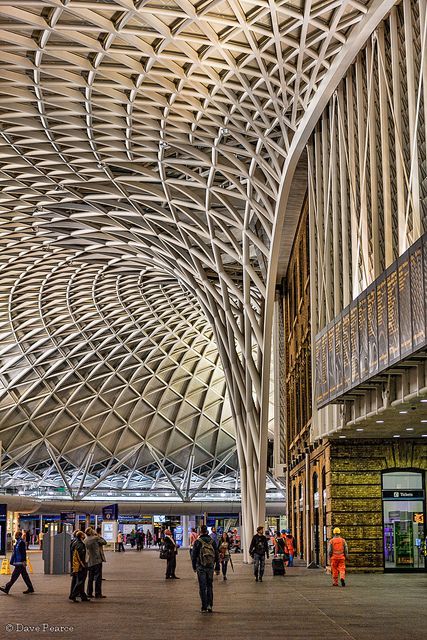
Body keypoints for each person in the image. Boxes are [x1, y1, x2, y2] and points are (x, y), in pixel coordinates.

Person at [192, 524, 219, 612]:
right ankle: (210, 605)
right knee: (210, 586)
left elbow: (194, 555)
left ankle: (204, 607)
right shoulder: (212, 541)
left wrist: (194, 566)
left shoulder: (198, 541)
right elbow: (216, 554)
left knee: (202, 587)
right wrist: (217, 566)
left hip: (201, 566)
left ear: (200, 531)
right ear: (207, 531)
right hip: (210, 566)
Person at [0, 530, 35, 595]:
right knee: (25, 576)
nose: (15, 536)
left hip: (20, 563)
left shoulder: (21, 542)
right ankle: (30, 588)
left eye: (16, 535)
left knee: (14, 576)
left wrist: (24, 561)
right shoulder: (18, 542)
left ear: (19, 536)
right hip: (18, 562)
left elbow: (23, 552)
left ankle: (7, 588)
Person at [84, 527, 106, 599]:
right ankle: (98, 593)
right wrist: (98, 535)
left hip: (89, 561)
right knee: (98, 578)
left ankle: (89, 593)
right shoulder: (96, 538)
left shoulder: (85, 540)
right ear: (92, 532)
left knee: (90, 578)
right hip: (97, 560)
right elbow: (104, 542)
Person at [69, 530, 89, 602]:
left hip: (75, 566)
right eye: (83, 535)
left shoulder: (74, 542)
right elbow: (80, 557)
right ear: (81, 536)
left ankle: (83, 597)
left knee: (76, 581)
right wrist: (84, 565)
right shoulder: (80, 545)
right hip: (80, 566)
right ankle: (73, 595)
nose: (84, 536)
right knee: (80, 581)